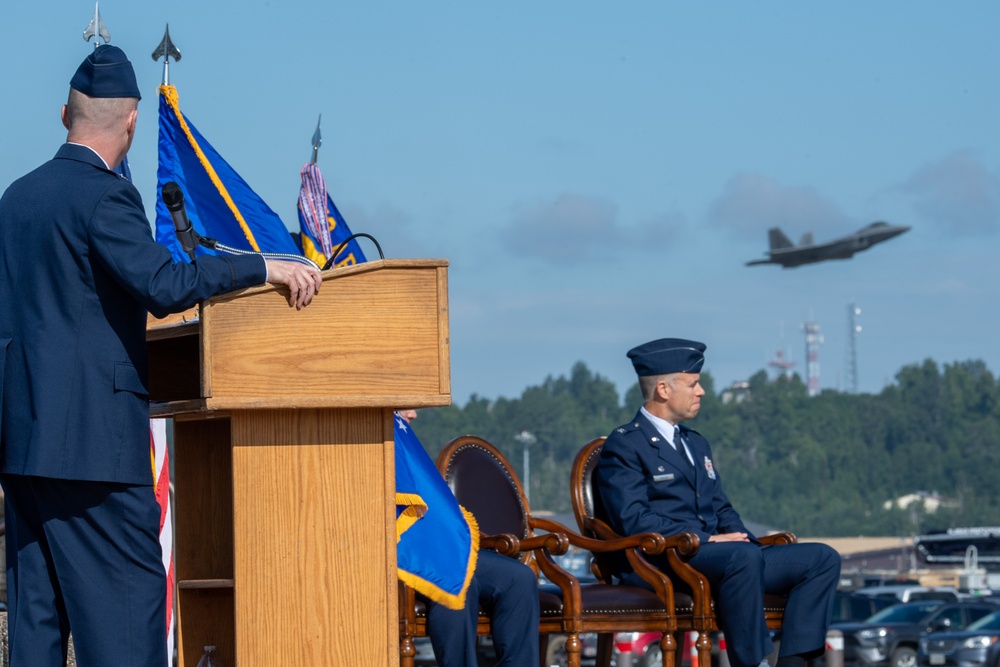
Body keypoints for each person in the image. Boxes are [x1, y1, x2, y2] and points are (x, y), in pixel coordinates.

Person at [0, 45, 322, 666]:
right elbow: (165, 285)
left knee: (36, 633)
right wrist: (264, 267)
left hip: (23, 448)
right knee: (124, 623)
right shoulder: (104, 197)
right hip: (93, 452)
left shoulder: (14, 200)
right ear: (132, 122)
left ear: (63, 113)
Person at [596, 338, 840, 667]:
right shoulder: (625, 445)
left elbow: (721, 508)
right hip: (664, 560)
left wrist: (737, 535)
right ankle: (753, 662)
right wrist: (710, 540)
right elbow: (635, 520)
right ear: (664, 390)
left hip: (724, 557)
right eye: (694, 384)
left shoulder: (696, 444)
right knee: (741, 556)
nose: (702, 392)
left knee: (821, 559)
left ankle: (793, 663)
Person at [397, 410, 539, 667]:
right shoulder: (373, 439)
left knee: (519, 578)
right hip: (401, 551)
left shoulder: (401, 439)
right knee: (459, 579)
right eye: (405, 405)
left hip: (434, 545)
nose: (413, 413)